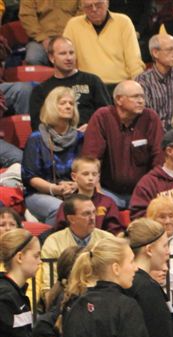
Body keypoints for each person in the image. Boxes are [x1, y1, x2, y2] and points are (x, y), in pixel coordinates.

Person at [81, 81, 163, 209]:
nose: (141, 101)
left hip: (142, 191)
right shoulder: (102, 117)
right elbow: (91, 158)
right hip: (107, 191)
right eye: (135, 96)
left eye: (142, 97)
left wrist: (152, 189)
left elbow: (159, 158)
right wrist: (97, 191)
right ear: (119, 99)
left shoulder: (150, 118)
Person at [23, 87, 84, 226]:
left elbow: (87, 169)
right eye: (63, 103)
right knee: (59, 208)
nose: (68, 106)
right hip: (40, 193)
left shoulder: (81, 138)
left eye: (71, 103)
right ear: (51, 107)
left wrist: (76, 185)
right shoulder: (36, 138)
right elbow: (30, 177)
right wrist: (54, 189)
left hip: (74, 191)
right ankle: (52, 239)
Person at [28, 37, 112, 130]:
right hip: (57, 137)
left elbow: (107, 115)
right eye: (63, 53)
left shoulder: (92, 81)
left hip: (91, 134)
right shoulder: (41, 90)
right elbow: (37, 125)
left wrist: (92, 127)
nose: (69, 58)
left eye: (71, 53)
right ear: (51, 58)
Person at [39, 195, 114, 298]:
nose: (93, 218)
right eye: (86, 214)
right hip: (67, 300)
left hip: (103, 298)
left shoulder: (107, 240)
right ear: (71, 219)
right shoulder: (53, 242)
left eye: (94, 212)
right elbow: (49, 290)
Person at [62, 0, 145, 85]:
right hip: (86, 85)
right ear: (82, 8)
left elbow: (134, 61)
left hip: (120, 84)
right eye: (88, 6)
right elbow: (64, 58)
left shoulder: (123, 22)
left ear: (107, 3)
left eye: (98, 4)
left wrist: (139, 85)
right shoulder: (73, 25)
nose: (94, 9)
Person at [52, 157, 124, 235]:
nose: (90, 178)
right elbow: (60, 232)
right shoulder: (67, 204)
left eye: (94, 174)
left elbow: (115, 231)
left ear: (98, 177)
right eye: (85, 174)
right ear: (74, 177)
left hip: (103, 241)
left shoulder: (108, 202)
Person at [19, 0, 78, 67]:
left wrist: (68, 38)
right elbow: (27, 17)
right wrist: (42, 38)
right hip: (39, 39)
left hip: (71, 36)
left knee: (83, 56)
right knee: (33, 58)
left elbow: (82, 13)